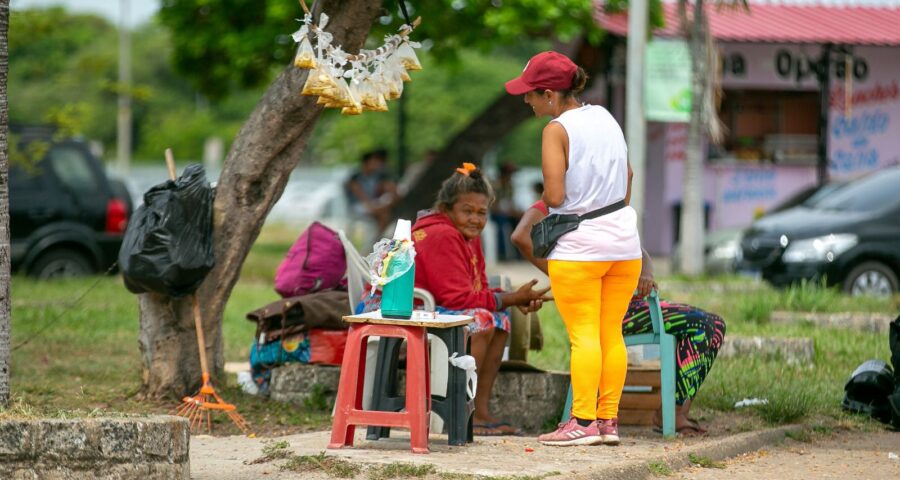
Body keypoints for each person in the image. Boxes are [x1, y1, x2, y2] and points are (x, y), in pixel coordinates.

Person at [505, 50, 642, 447]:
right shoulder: (605, 117)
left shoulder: (556, 130)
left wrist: (563, 208)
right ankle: (607, 422)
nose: (526, 101)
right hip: (624, 244)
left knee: (583, 336)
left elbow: (556, 195)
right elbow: (628, 175)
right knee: (610, 334)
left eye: (530, 94)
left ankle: (581, 422)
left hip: (580, 251)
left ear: (550, 94)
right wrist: (608, 210)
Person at [359, 163, 552, 436]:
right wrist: (510, 298)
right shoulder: (442, 234)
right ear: (446, 209)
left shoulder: (467, 236)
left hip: (429, 306)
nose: (475, 219)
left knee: (498, 319)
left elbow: (477, 287)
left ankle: (481, 413)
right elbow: (458, 297)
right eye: (467, 211)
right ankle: (462, 414)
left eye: (482, 213)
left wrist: (513, 299)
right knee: (482, 323)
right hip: (397, 310)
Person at [512, 200, 726, 436]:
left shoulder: (605, 194)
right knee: (707, 325)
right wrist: (562, 275)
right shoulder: (565, 195)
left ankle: (671, 409)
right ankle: (671, 412)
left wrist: (646, 271)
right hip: (612, 310)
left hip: (628, 301)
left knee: (711, 324)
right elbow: (522, 235)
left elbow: (633, 247)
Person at [345, 148, 399, 234]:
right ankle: (379, 237)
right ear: (366, 163)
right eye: (373, 162)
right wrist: (373, 206)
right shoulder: (355, 177)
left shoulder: (377, 176)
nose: (376, 165)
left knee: (384, 211)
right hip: (358, 205)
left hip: (373, 203)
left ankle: (379, 237)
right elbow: (361, 196)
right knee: (383, 213)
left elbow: (388, 189)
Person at [490, 162, 523, 261]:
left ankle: (519, 254)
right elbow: (492, 206)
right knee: (501, 224)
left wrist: (516, 212)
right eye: (510, 174)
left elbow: (510, 203)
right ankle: (502, 254)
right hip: (494, 214)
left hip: (505, 213)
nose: (511, 177)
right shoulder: (495, 185)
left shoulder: (509, 186)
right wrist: (508, 211)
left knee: (520, 222)